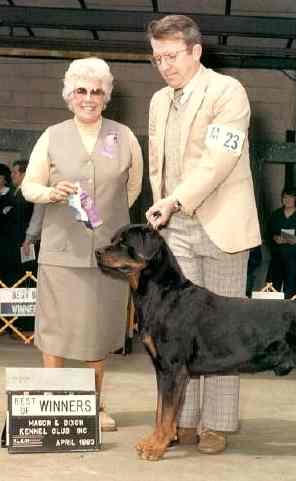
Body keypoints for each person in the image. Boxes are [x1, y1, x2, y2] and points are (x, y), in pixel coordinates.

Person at [145, 15, 261, 454]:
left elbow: (218, 161)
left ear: (196, 51)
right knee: (177, 332)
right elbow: (158, 161)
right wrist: (162, 206)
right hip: (175, 227)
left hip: (223, 225)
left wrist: (174, 200)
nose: (165, 66)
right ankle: (181, 422)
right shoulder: (158, 101)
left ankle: (215, 425)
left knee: (222, 329)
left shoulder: (227, 92)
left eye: (172, 56)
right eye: (157, 58)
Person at [21, 57, 143, 431]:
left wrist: (108, 217)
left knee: (99, 331)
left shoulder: (124, 136)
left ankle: (94, 405)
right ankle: (56, 406)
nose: (88, 98)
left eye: (96, 91)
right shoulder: (52, 135)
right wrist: (51, 193)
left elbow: (133, 189)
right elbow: (29, 187)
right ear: (69, 95)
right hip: (61, 251)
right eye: (80, 91)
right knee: (56, 331)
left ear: (105, 96)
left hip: (110, 255)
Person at [266, 186, 296, 299]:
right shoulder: (276, 215)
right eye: (285, 197)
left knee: (290, 292)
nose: (287, 200)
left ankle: (289, 316)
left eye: (291, 197)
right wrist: (274, 238)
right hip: (276, 260)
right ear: (282, 199)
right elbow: (267, 234)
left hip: (294, 260)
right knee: (271, 291)